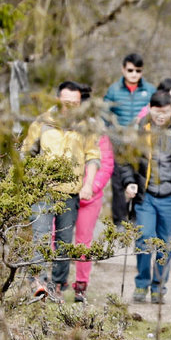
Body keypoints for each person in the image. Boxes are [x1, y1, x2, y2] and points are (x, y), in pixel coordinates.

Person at [21, 82, 102, 300]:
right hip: (43, 191)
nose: (71, 107)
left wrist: (88, 184)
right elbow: (27, 153)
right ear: (58, 100)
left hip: (70, 192)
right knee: (40, 237)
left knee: (64, 242)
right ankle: (38, 284)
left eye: (75, 103)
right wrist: (29, 179)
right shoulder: (42, 122)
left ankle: (57, 284)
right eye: (67, 103)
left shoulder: (86, 126)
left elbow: (93, 156)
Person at [118, 90, 171, 304]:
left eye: (166, 112)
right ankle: (142, 283)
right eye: (157, 111)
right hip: (146, 195)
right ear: (150, 109)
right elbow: (126, 159)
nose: (161, 116)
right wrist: (129, 181)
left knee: (165, 243)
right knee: (144, 238)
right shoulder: (139, 129)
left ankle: (158, 286)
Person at [68, 83, 114, 304]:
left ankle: (81, 285)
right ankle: (57, 281)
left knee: (83, 242)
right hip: (64, 193)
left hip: (89, 196)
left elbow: (106, 163)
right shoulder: (61, 127)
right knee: (57, 238)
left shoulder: (98, 132)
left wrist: (91, 187)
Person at [104, 52, 151, 128]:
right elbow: (104, 114)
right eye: (130, 70)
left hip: (142, 133)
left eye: (138, 71)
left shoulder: (150, 90)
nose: (134, 74)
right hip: (118, 133)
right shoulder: (113, 90)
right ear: (123, 70)